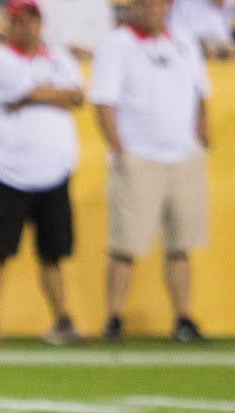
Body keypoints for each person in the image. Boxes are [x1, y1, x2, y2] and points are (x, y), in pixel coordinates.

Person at [90, 0, 211, 342]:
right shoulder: (118, 44)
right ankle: (113, 318)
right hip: (139, 157)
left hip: (184, 157)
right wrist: (120, 150)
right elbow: (103, 101)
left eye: (161, 2)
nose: (155, 9)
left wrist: (201, 141)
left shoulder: (184, 40)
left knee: (181, 244)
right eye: (148, 2)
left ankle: (184, 317)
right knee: (125, 245)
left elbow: (201, 95)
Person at [0, 0, 84, 346]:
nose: (27, 26)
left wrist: (41, 95)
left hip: (53, 172)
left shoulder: (58, 57)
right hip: (8, 170)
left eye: (32, 20)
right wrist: (54, 94)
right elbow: (23, 91)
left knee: (54, 252)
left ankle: (62, 320)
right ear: (10, 24)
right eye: (20, 20)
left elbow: (77, 95)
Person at [35, 0, 115, 61]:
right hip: (50, 67)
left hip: (92, 68)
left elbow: (108, 43)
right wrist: (68, 52)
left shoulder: (99, 4)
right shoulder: (40, 3)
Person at [169, 0, 235, 59]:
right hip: (191, 58)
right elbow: (176, 39)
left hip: (224, 62)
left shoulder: (225, 6)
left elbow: (227, 44)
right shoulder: (179, 5)